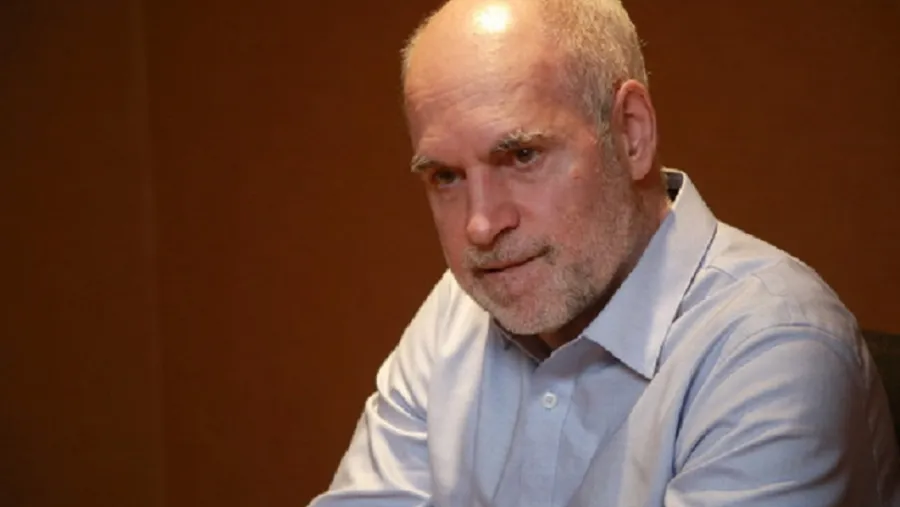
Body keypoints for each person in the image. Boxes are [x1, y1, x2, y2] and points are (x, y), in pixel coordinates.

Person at [309, 0, 900, 505]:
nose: (481, 226)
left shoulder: (776, 345)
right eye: (445, 176)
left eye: (521, 156)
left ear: (631, 133)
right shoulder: (459, 311)